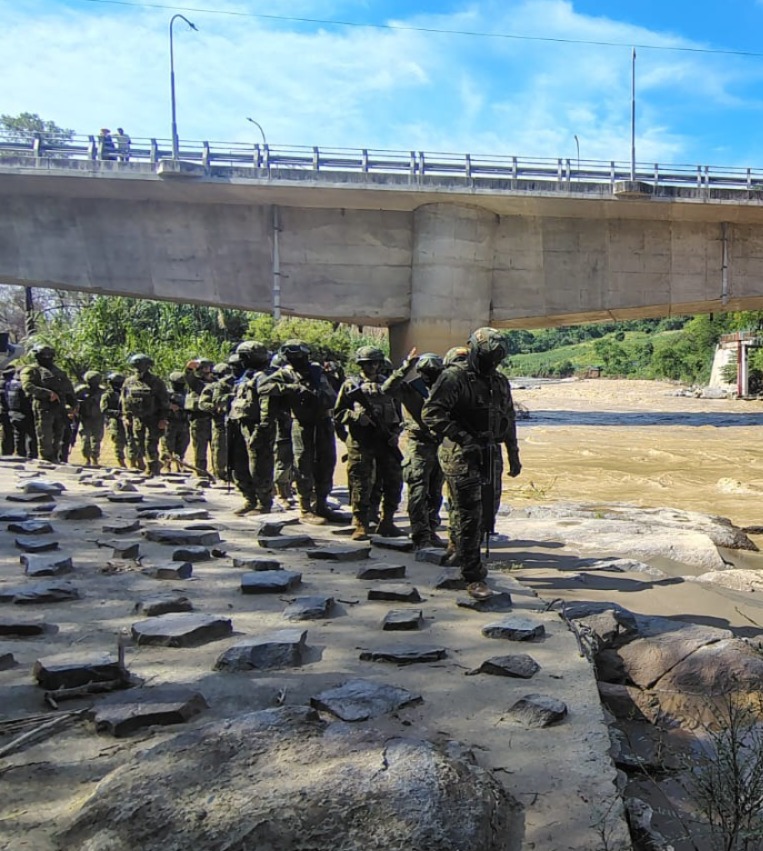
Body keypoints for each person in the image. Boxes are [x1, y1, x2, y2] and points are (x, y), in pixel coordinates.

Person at [422, 328, 522, 600]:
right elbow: (432, 414)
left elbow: (508, 418)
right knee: (470, 513)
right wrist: (464, 437)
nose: (493, 364)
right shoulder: (454, 377)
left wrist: (513, 453)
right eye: (489, 358)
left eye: (497, 359)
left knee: (488, 510)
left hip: (490, 453)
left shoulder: (499, 381)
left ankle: (462, 550)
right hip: (461, 454)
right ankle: (473, 574)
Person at [334, 346, 411, 541]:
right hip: (361, 442)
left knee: (394, 480)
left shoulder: (387, 385)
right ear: (361, 364)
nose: (373, 367)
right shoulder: (351, 385)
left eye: (375, 363)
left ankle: (387, 521)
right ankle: (360, 523)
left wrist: (395, 433)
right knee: (361, 483)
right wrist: (355, 416)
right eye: (368, 363)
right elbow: (338, 413)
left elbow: (398, 416)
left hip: (385, 441)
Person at [260, 339, 341, 525]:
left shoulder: (317, 371)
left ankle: (321, 504)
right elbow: (263, 387)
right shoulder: (286, 374)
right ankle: (305, 508)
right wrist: (292, 388)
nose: (298, 360)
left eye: (300, 356)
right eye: (293, 357)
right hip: (302, 424)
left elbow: (334, 393)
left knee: (327, 463)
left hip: (324, 422)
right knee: (303, 465)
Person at [394, 352, 446, 550]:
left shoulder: (442, 389)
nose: (430, 375)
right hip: (418, 446)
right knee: (418, 493)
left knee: (435, 492)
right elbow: (387, 388)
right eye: (426, 371)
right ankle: (420, 535)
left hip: (438, 445)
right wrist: (406, 366)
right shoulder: (409, 389)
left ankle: (431, 529)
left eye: (434, 371)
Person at [228, 340, 274, 515]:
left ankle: (264, 503)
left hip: (255, 427)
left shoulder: (263, 377)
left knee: (259, 466)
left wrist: (262, 429)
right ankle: (249, 499)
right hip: (239, 424)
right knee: (239, 464)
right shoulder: (245, 377)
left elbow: (266, 406)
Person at [20, 344, 77, 463]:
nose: (47, 357)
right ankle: (46, 458)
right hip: (43, 406)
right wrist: (47, 393)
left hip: (60, 407)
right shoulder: (31, 370)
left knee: (59, 434)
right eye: (44, 355)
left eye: (49, 355)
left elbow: (68, 389)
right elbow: (28, 386)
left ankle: (55, 458)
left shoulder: (58, 371)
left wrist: (74, 404)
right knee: (45, 434)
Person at [120, 353, 169, 476]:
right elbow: (125, 400)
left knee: (151, 442)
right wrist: (126, 416)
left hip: (153, 418)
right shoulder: (129, 382)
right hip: (137, 418)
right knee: (139, 443)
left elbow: (164, 401)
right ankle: (150, 464)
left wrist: (163, 418)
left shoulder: (156, 382)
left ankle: (153, 468)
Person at [198, 362, 236, 481]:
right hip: (219, 423)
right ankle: (220, 475)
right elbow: (202, 404)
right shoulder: (211, 387)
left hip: (234, 422)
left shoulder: (236, 385)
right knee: (219, 449)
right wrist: (215, 408)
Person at [184, 358, 215, 478]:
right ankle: (200, 471)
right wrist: (188, 368)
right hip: (199, 419)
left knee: (218, 448)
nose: (207, 371)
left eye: (208, 369)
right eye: (204, 369)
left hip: (214, 419)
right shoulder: (195, 383)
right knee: (200, 447)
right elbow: (188, 376)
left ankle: (218, 472)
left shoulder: (216, 382)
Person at [161, 370, 191, 472]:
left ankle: (180, 465)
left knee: (182, 445)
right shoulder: (167, 394)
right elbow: (160, 404)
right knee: (167, 445)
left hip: (184, 422)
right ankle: (166, 465)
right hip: (170, 423)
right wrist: (170, 406)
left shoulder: (187, 393)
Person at [6, 368, 37, 458]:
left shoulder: (10, 384)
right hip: (26, 414)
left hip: (13, 413)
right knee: (31, 436)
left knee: (18, 436)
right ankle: (32, 455)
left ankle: (20, 455)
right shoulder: (25, 386)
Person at [76, 370, 105, 466]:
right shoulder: (81, 390)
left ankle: (95, 459)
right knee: (85, 440)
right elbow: (72, 400)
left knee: (96, 440)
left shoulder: (102, 391)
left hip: (98, 418)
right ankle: (87, 459)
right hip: (85, 418)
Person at [101, 371, 128, 467]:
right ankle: (121, 462)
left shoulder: (125, 394)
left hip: (127, 421)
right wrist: (118, 413)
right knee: (119, 442)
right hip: (115, 422)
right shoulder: (108, 395)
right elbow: (104, 410)